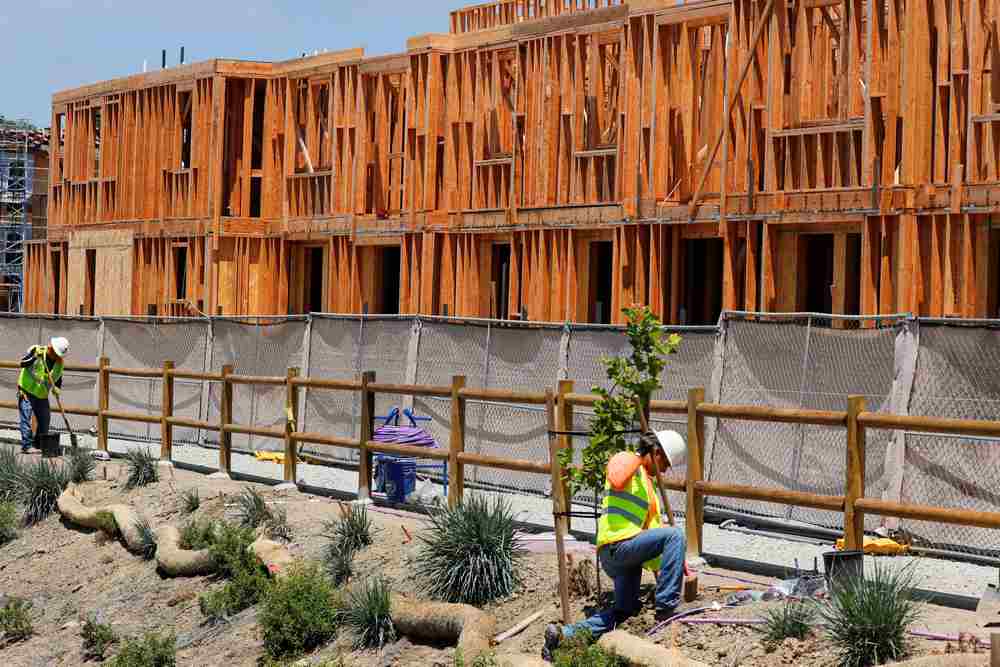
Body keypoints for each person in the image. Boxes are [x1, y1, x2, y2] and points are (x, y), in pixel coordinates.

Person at [542, 430, 687, 661]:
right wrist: (640, 454)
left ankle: (563, 637)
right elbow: (617, 478)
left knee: (623, 612)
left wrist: (675, 562)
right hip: (617, 546)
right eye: (665, 463)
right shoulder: (625, 459)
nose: (666, 470)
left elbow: (653, 539)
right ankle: (667, 609)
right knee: (675, 535)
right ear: (655, 452)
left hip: (628, 557)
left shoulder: (649, 489)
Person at [17, 337, 69, 454]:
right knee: (26, 417)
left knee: (45, 420)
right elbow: (22, 363)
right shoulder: (36, 351)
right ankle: (27, 446)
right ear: (51, 348)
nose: (58, 357)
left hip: (42, 394)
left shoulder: (59, 363)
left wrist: (57, 389)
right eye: (56, 354)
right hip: (26, 390)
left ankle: (38, 444)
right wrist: (35, 356)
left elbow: (58, 378)